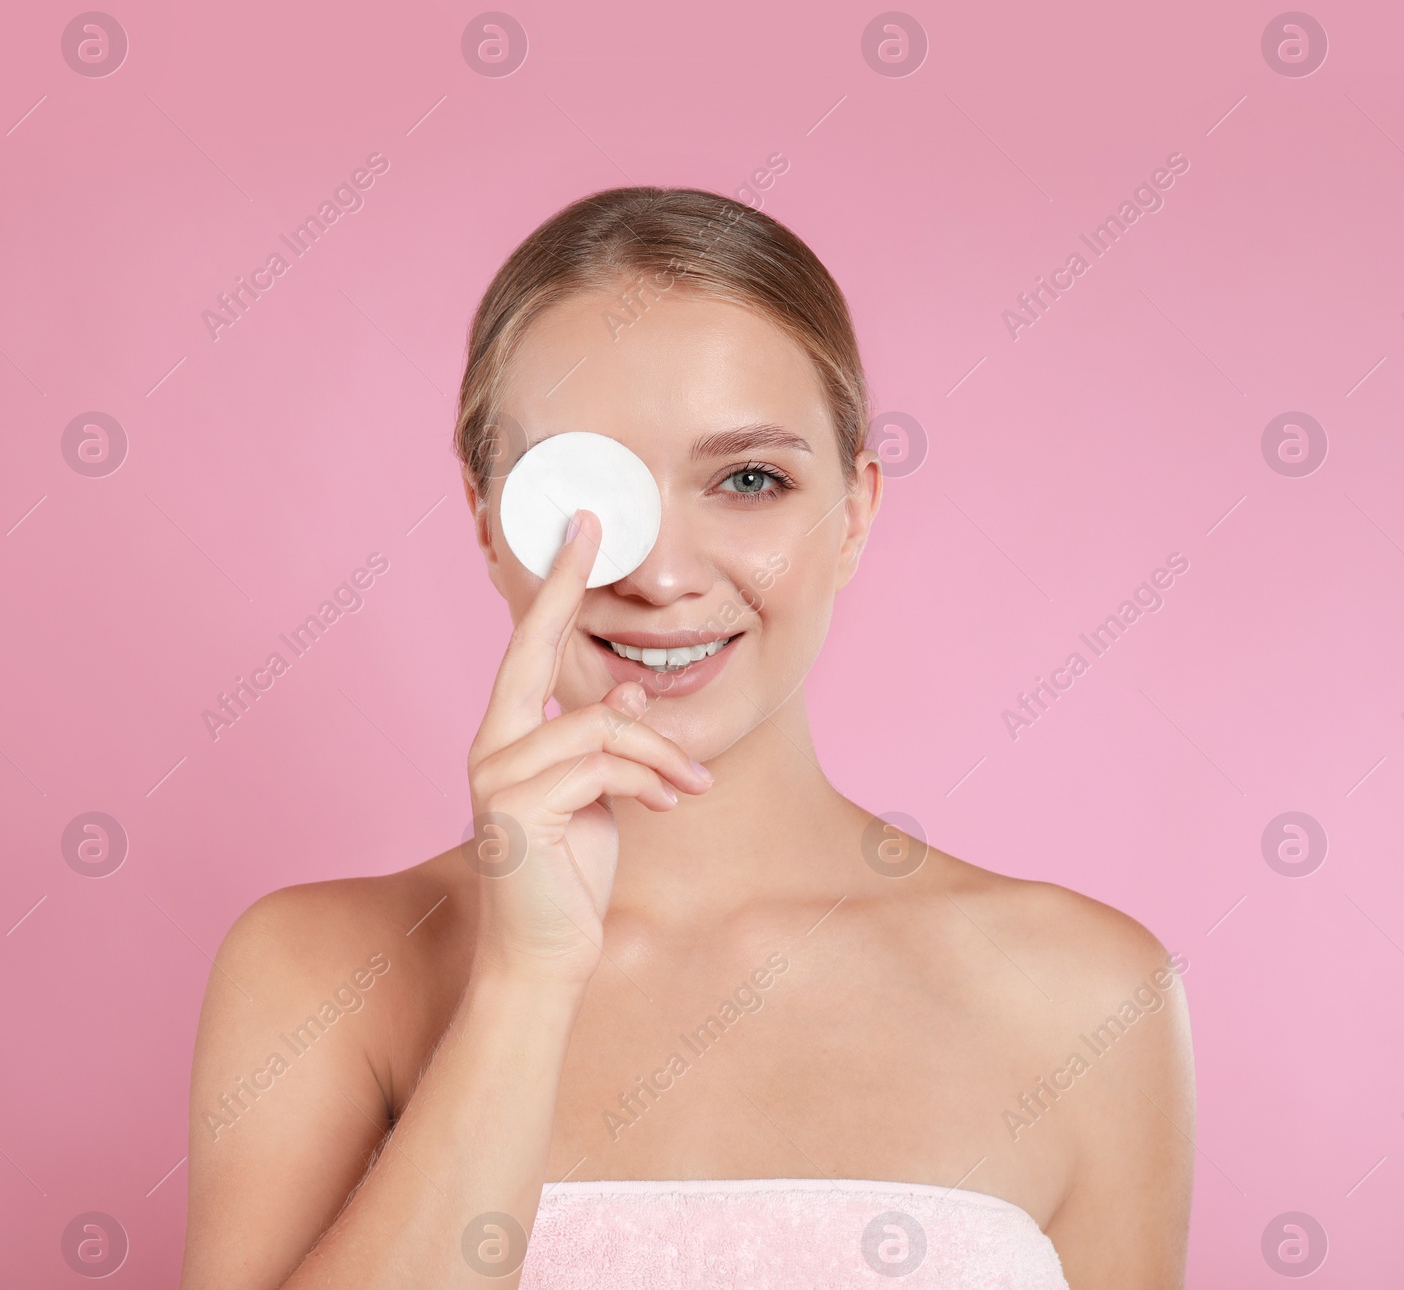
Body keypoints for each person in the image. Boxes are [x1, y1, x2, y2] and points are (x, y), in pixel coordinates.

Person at [181, 187, 1195, 1289]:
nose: (660, 575)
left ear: (852, 511)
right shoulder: (321, 971)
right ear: (483, 515)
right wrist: (525, 982)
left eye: (749, 480)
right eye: (581, 490)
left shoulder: (1087, 995)